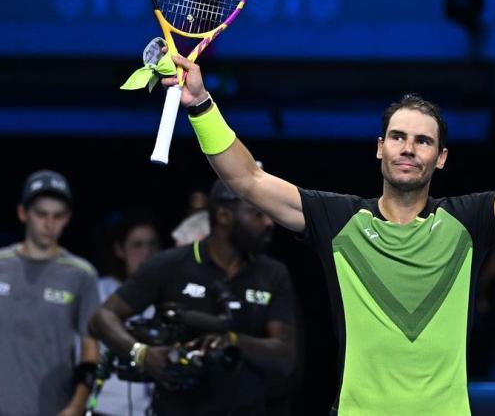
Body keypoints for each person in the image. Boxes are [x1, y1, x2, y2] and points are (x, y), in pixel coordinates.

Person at [163, 31, 495, 414]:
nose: (409, 148)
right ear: (379, 147)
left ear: (440, 158)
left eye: (423, 141)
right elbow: (247, 178)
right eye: (398, 137)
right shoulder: (337, 219)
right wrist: (202, 104)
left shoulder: (468, 221)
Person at [89, 180, 296, 416]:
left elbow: (286, 357)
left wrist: (232, 341)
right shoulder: (171, 265)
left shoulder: (272, 274)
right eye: (258, 213)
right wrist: (142, 354)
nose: (269, 222)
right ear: (223, 215)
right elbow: (101, 318)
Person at [0, 170, 100, 416]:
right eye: (41, 214)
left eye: (58, 216)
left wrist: (76, 407)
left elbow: (91, 351)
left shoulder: (81, 274)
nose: (49, 224)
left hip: (54, 408)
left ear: (68, 218)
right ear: (23, 213)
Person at [93, 210, 161, 415]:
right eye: (138, 245)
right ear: (120, 249)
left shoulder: (165, 298)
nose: (146, 253)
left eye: (152, 245)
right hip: (104, 407)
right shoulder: (98, 290)